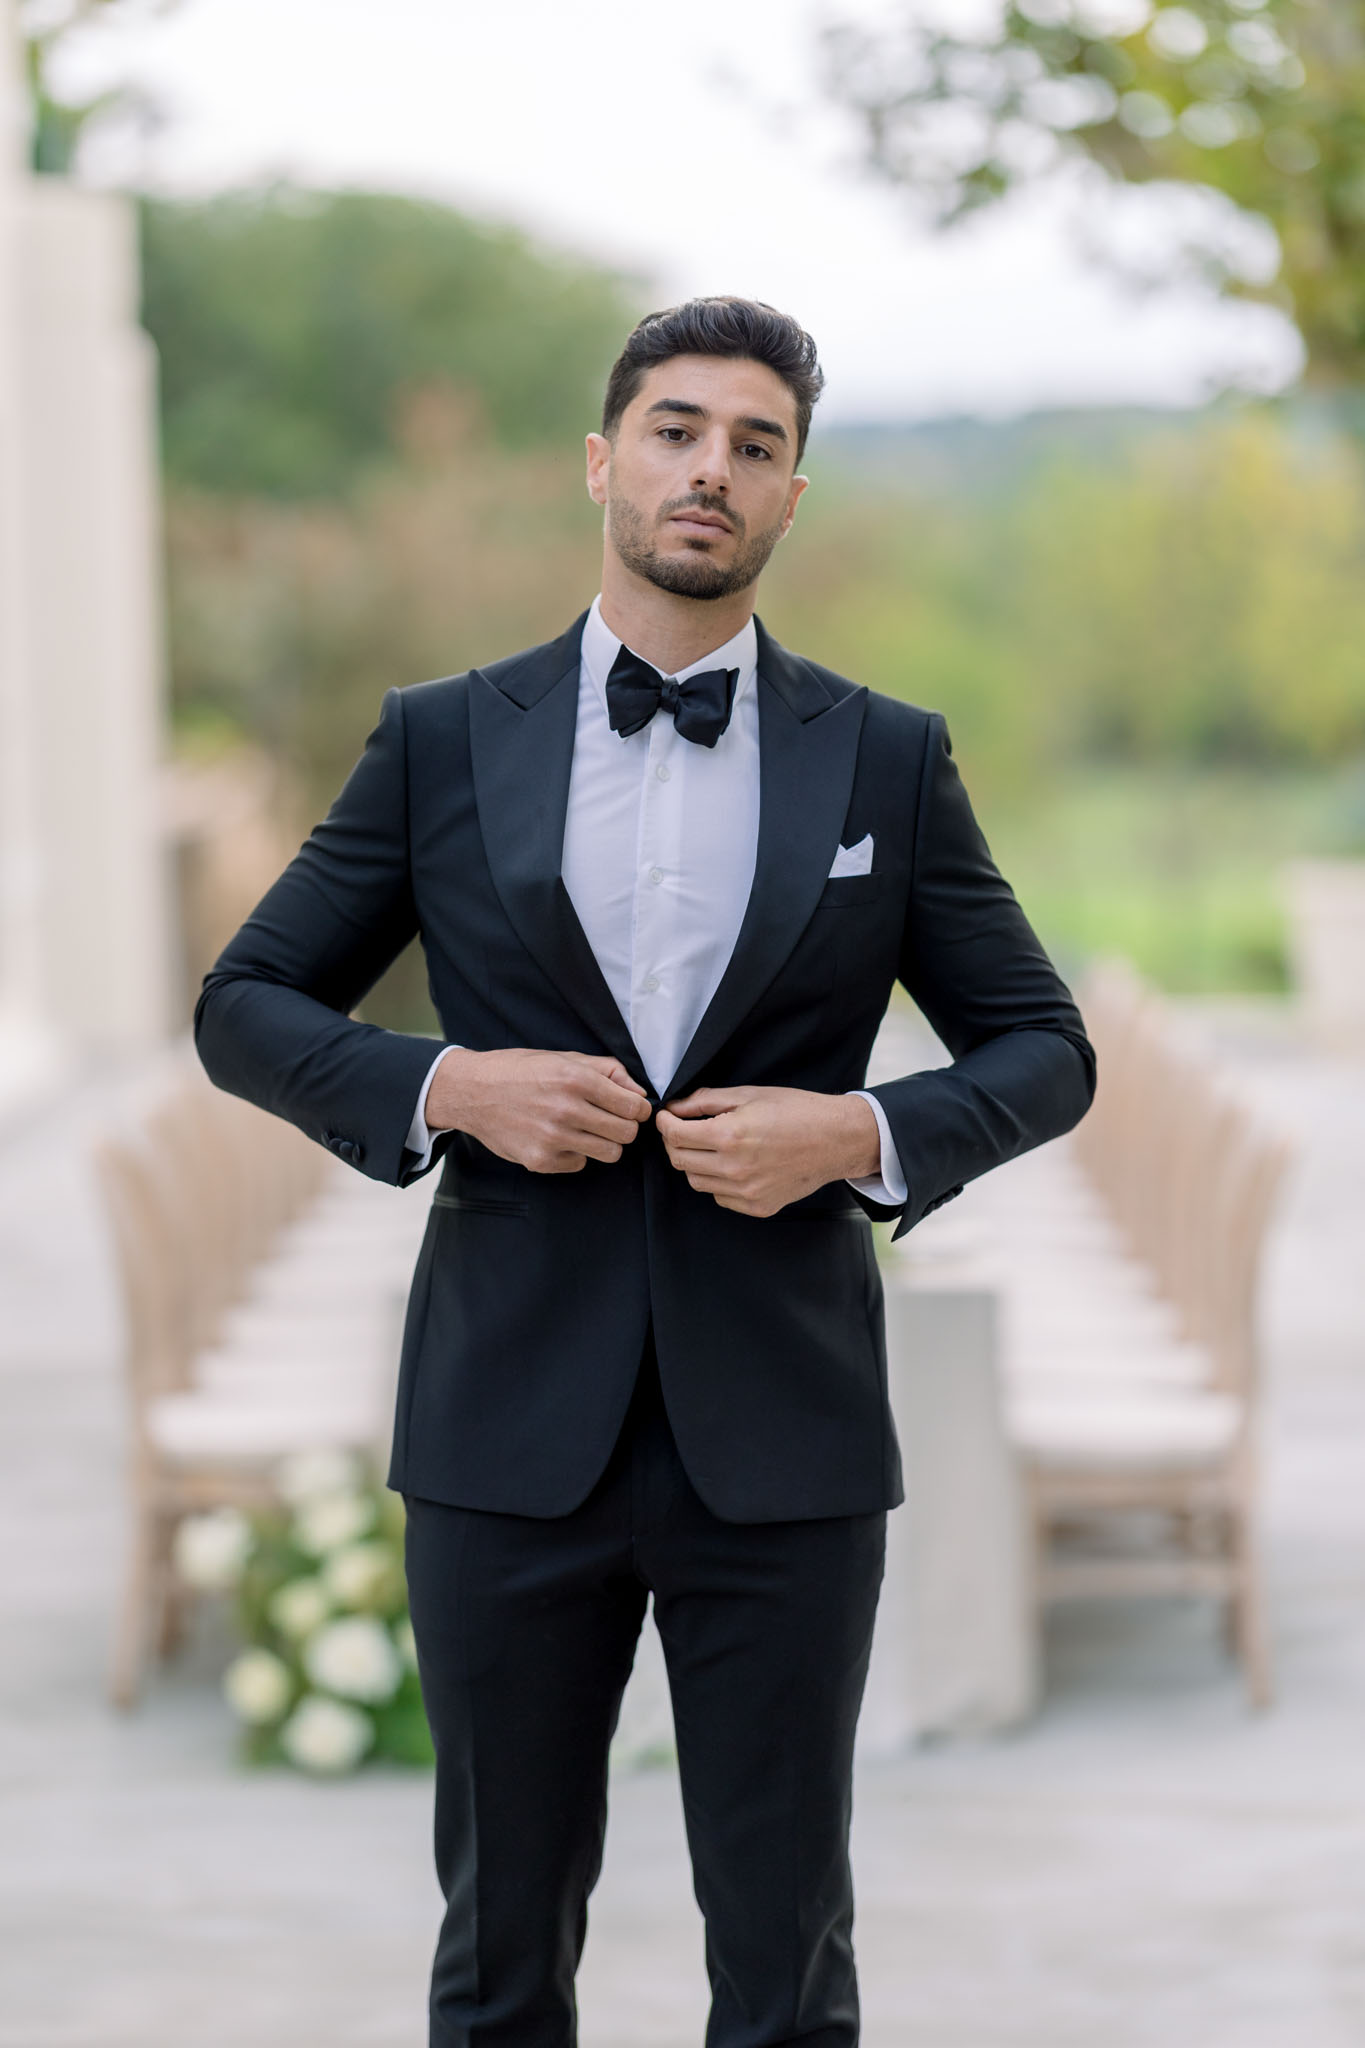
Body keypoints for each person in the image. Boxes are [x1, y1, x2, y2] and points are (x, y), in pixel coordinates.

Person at [195, 295, 1095, 2048]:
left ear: (789, 500)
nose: (711, 470)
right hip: (504, 1425)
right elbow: (242, 1004)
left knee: (785, 1962)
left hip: (787, 1432)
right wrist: (450, 1083)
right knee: (499, 1959)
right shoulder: (444, 737)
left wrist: (864, 1132)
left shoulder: (884, 757)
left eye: (755, 446)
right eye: (677, 430)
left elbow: (1042, 1048)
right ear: (603, 463)